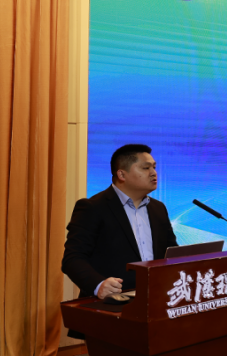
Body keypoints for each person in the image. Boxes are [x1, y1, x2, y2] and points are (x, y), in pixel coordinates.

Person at [62, 144, 178, 337]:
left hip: (156, 307)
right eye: (145, 167)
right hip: (111, 308)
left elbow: (170, 254)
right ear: (122, 174)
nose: (154, 173)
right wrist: (98, 284)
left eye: (154, 167)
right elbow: (72, 259)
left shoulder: (158, 209)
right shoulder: (93, 208)